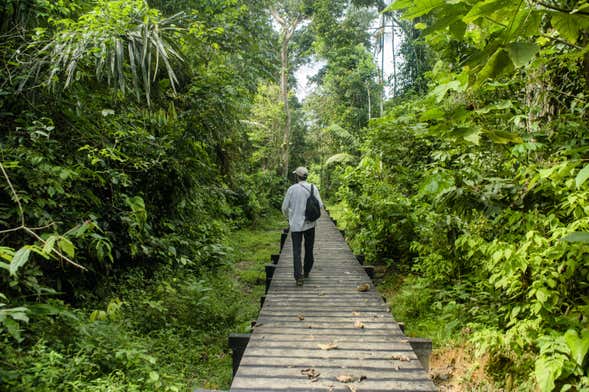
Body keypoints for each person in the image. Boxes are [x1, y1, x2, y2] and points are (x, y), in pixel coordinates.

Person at [281, 166, 323, 286]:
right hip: (310, 224)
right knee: (309, 249)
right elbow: (320, 205)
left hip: (295, 225)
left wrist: (289, 217)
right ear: (306, 176)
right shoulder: (313, 188)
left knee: (296, 251)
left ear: (297, 176)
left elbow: (284, 207)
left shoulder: (291, 189)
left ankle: (299, 277)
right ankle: (307, 271)